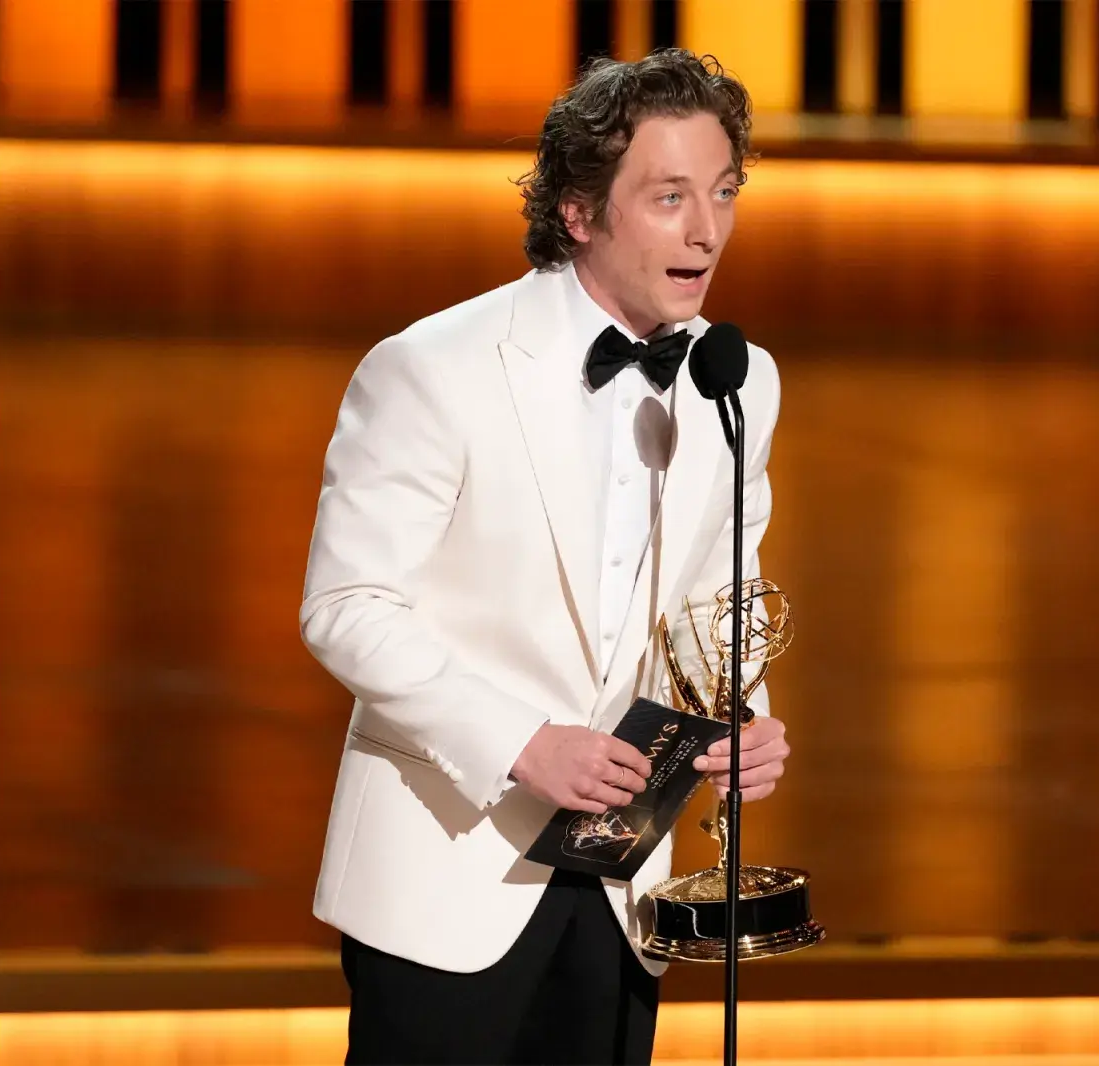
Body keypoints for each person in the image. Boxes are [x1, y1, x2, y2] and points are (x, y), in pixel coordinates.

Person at [299, 49, 789, 1065]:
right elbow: (347, 604)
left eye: (724, 193)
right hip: (448, 874)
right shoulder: (432, 368)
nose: (707, 230)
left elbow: (724, 595)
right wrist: (522, 740)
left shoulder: (739, 378)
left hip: (625, 886)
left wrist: (743, 714)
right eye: (668, 197)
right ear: (578, 210)